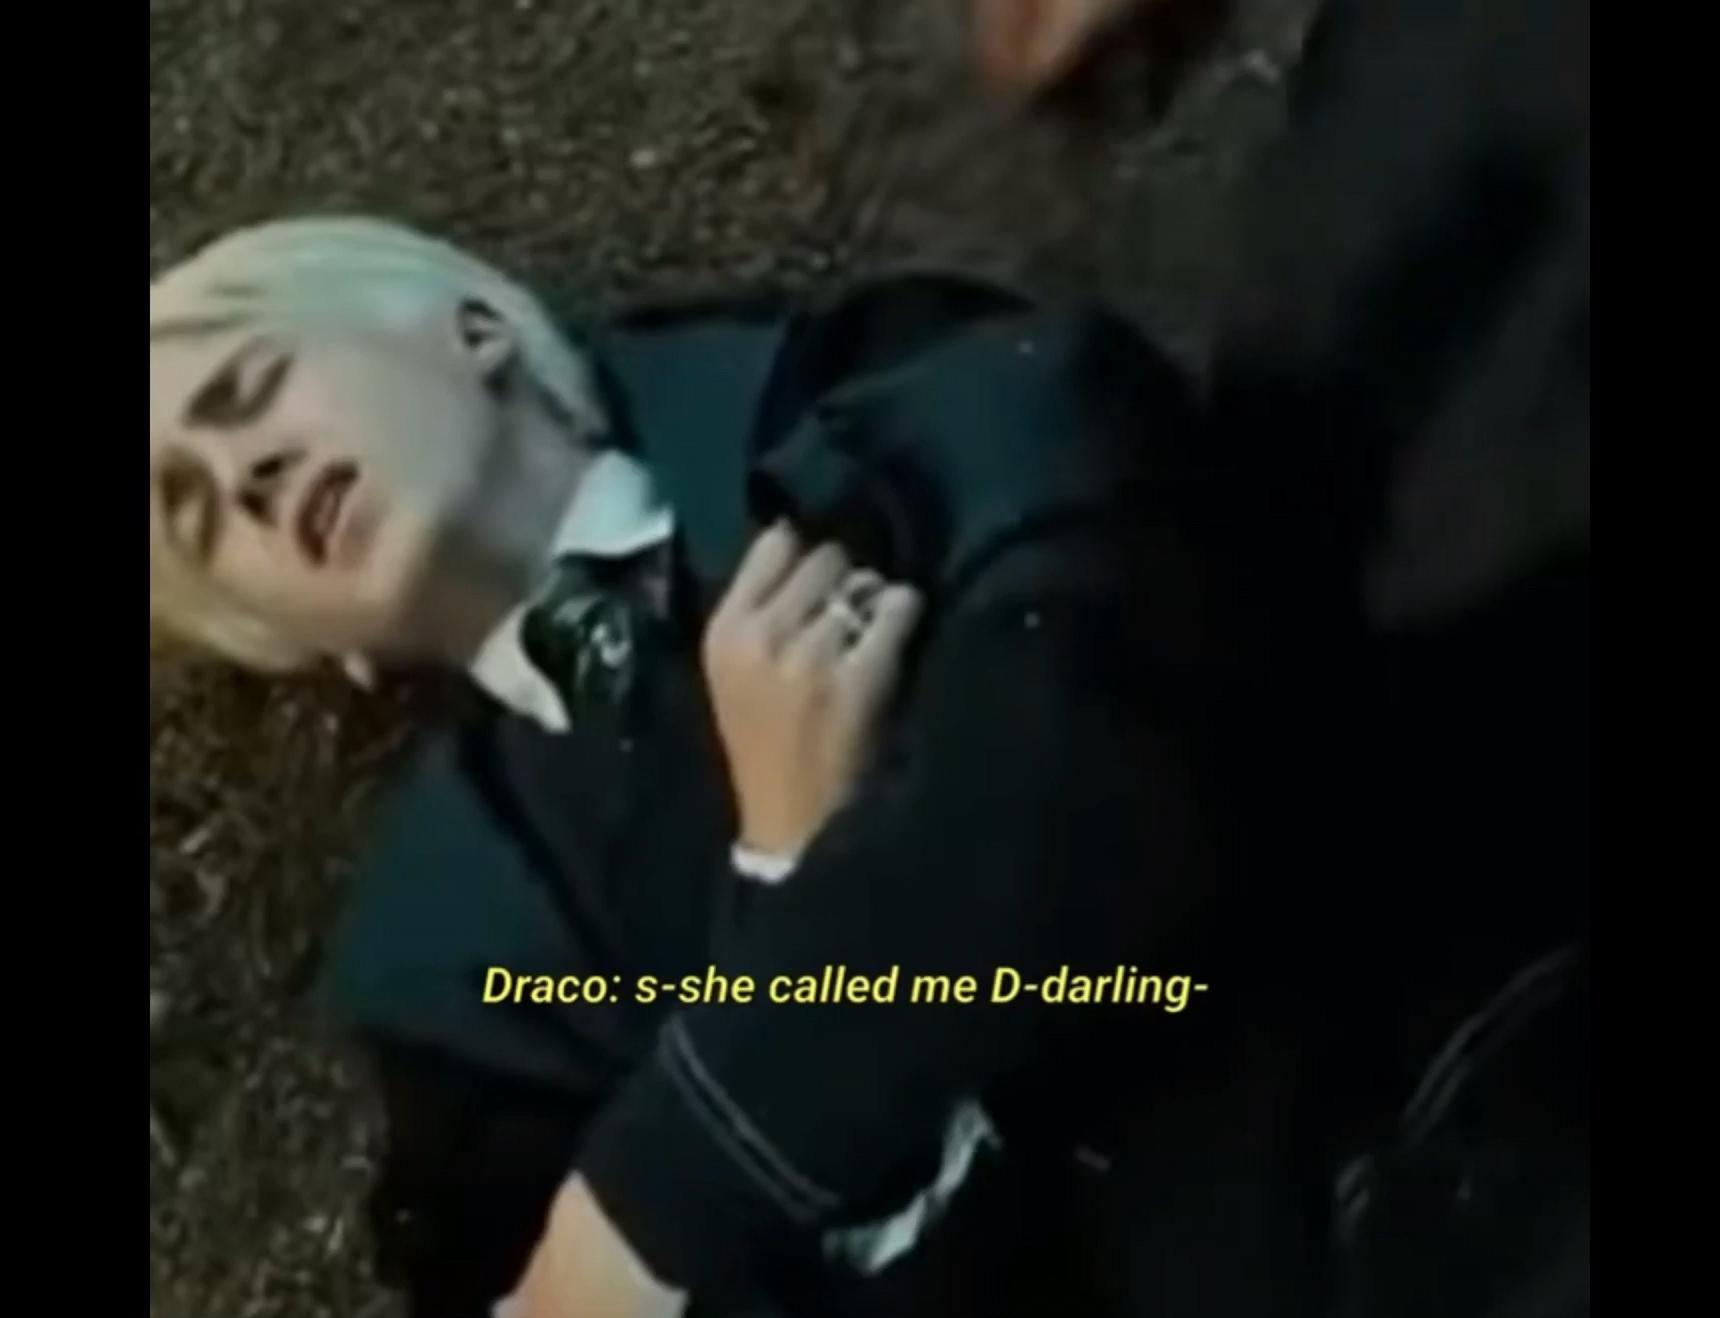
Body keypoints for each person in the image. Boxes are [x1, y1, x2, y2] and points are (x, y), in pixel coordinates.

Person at [151, 222, 1313, 1317]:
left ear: (473, 328)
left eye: (250, 392)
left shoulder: (877, 387)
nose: (245, 478)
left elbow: (1100, 707)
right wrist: (782, 873)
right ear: (318, 647)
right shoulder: (455, 982)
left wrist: (662, 1197)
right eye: (198, 516)